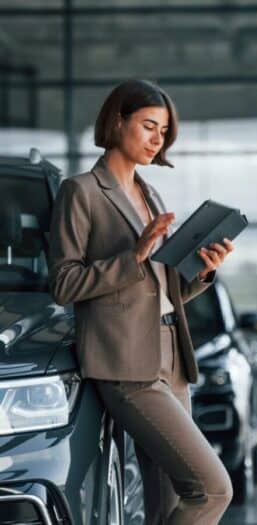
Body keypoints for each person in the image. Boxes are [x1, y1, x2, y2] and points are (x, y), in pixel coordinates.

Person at [48, 79, 235, 525]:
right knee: (212, 490)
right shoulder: (82, 192)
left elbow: (163, 290)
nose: (157, 139)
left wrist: (204, 269)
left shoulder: (150, 195)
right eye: (149, 126)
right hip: (126, 365)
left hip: (171, 359)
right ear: (117, 121)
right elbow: (64, 283)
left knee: (170, 504)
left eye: (163, 131)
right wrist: (133, 254)